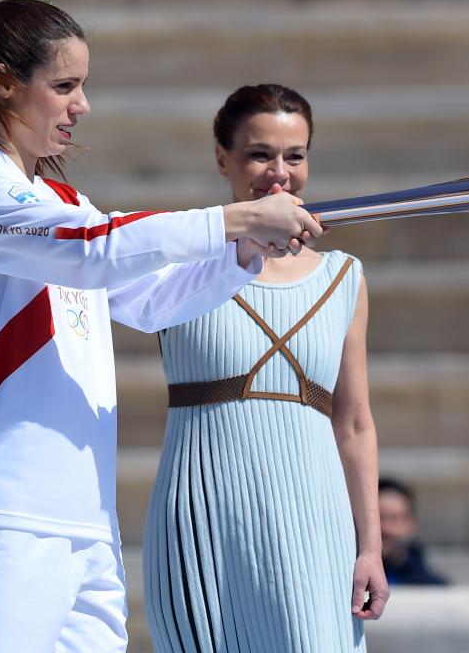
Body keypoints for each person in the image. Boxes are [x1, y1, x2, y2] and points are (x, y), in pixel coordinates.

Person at [0, 0, 322, 653]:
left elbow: (153, 298)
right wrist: (240, 220)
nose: (84, 105)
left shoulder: (66, 202)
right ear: (2, 83)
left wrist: (245, 255)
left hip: (87, 525)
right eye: (65, 87)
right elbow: (95, 248)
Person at [144, 84, 388, 652]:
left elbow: (354, 424)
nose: (278, 173)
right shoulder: (180, 258)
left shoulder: (343, 276)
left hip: (315, 519)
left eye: (294, 156)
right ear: (222, 156)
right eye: (259, 154)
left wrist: (370, 547)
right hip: (203, 514)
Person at [378, 478, 449, 586]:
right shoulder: (349, 584)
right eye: (377, 518)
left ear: (411, 524)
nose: (385, 528)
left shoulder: (434, 588)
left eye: (394, 519)